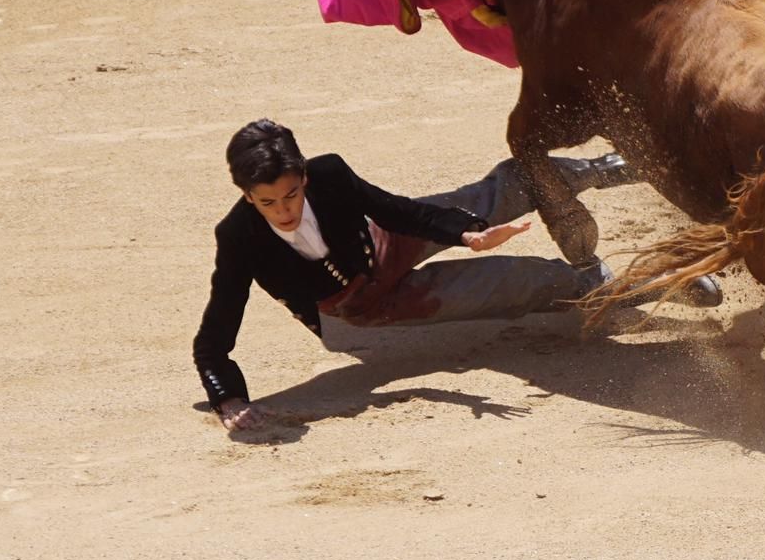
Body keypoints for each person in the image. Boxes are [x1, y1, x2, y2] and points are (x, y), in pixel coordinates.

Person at [193, 119, 721, 432]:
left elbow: (396, 209)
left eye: (290, 194)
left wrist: (467, 233)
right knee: (524, 283)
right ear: (245, 196)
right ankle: (654, 283)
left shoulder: (328, 175)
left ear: (304, 177)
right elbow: (216, 332)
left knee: (503, 188)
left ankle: (613, 166)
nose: (282, 210)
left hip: (384, 239)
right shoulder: (238, 236)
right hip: (359, 307)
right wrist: (229, 398)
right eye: (266, 202)